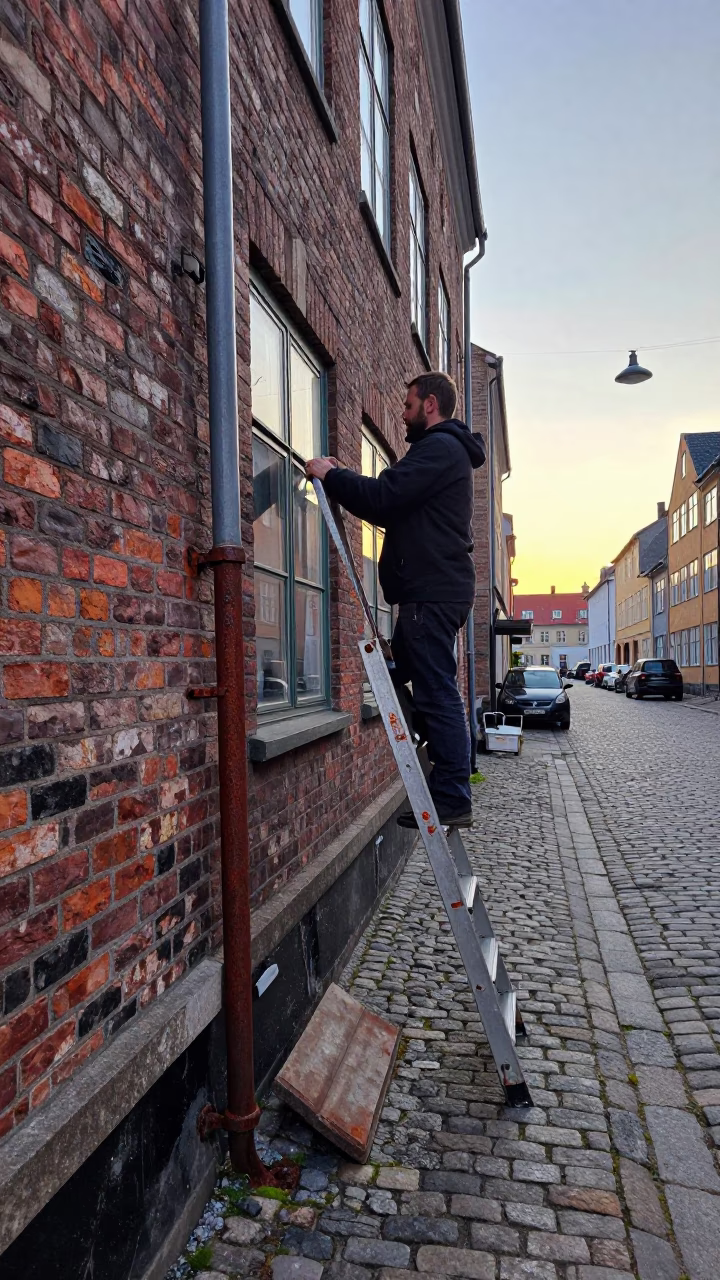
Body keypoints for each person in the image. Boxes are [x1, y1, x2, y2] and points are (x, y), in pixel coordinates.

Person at [306, 371, 485, 828]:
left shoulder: (439, 449)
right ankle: (444, 761)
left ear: (429, 405)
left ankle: (451, 795)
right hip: (431, 593)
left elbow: (384, 497)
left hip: (431, 594)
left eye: (407, 407)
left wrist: (332, 474)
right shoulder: (445, 452)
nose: (403, 417)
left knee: (436, 691)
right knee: (414, 674)